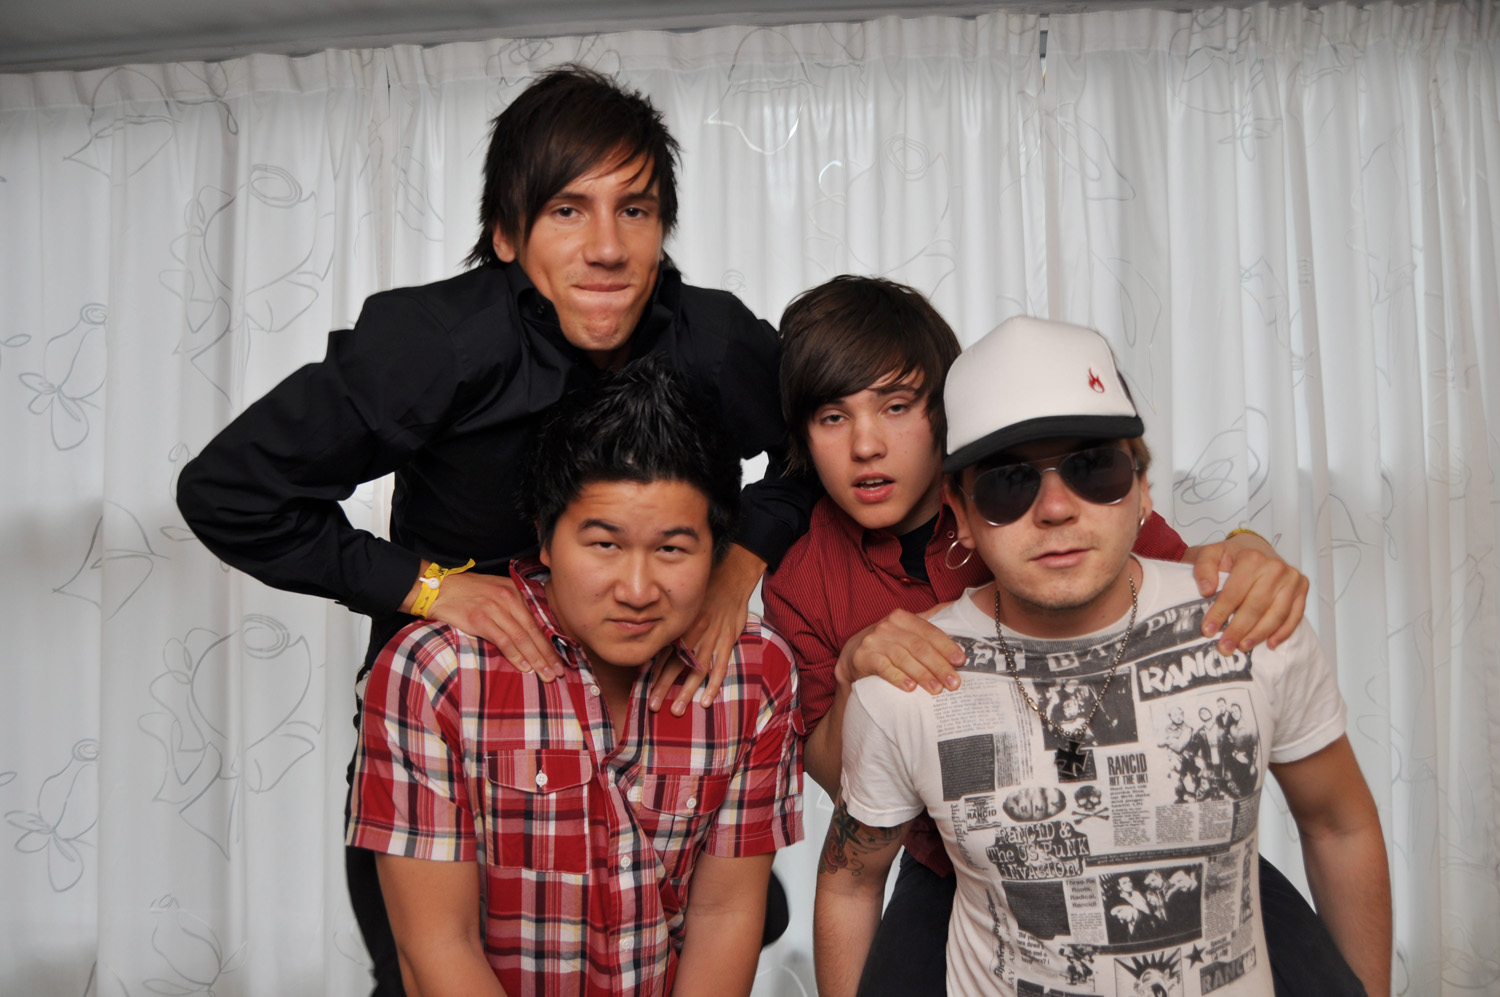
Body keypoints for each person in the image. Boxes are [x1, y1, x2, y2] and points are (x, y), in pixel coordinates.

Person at [175, 65, 813, 994]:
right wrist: (427, 585)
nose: (606, 247)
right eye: (566, 211)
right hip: (463, 738)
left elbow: (825, 449)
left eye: (634, 210)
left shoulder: (712, 341)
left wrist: (738, 559)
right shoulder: (433, 343)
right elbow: (227, 490)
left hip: (666, 743)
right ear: (506, 233)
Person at [760, 276, 1321, 996]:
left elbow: (1193, 589)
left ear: (944, 416)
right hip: (957, 862)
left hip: (1155, 837)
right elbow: (851, 787)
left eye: (896, 407)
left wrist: (1247, 546)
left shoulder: (1057, 501)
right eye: (832, 418)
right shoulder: (800, 578)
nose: (866, 445)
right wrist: (853, 674)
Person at [347, 359, 803, 996]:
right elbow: (436, 946)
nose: (638, 590)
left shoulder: (755, 673)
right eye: (604, 545)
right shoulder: (436, 671)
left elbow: (725, 916)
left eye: (672, 548)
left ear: (718, 549)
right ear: (543, 532)